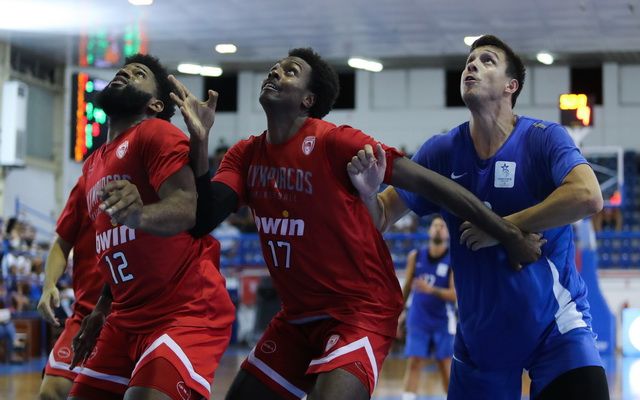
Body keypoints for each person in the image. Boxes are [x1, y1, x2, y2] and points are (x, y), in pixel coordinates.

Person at [164, 47, 543, 400]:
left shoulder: (336, 142)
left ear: (308, 100)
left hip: (360, 309)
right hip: (297, 316)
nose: (275, 72)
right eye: (275, 68)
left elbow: (433, 184)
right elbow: (203, 219)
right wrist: (200, 141)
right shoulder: (245, 155)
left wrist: (508, 232)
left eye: (290, 71)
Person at [347, 35, 609, 399]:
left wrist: (503, 228)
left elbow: (588, 195)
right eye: (470, 60)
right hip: (482, 340)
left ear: (510, 86)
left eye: (487, 61)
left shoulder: (543, 138)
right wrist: (366, 191)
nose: (472, 65)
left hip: (555, 327)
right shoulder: (441, 151)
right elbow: (381, 216)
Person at [65, 54, 235, 400]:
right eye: (122, 70)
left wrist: (139, 215)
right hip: (124, 315)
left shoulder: (155, 133)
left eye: (138, 73)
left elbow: (186, 208)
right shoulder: (93, 164)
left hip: (183, 309)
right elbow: (121, 245)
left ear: (155, 104)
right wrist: (101, 308)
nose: (125, 73)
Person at [36, 176, 103, 400]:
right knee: (50, 393)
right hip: (86, 313)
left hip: (130, 314)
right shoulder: (87, 182)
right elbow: (61, 243)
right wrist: (49, 285)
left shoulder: (146, 177)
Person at [400, 215, 455, 400]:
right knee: (414, 362)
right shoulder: (415, 256)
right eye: (435, 225)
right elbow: (407, 287)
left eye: (442, 226)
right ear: (429, 230)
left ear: (448, 233)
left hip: (442, 320)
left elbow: (455, 295)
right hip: (419, 318)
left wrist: (431, 290)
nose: (438, 228)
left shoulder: (452, 260)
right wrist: (398, 314)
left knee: (445, 365)